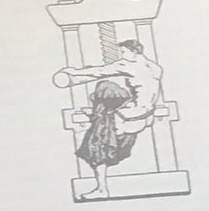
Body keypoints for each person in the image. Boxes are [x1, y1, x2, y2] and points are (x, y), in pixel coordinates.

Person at [57, 40, 164, 199]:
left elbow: (100, 71)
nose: (122, 55)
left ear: (133, 51)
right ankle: (97, 113)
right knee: (105, 90)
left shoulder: (127, 65)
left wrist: (74, 72)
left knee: (97, 143)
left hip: (129, 117)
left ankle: (102, 189)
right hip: (146, 114)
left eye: (124, 52)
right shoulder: (154, 67)